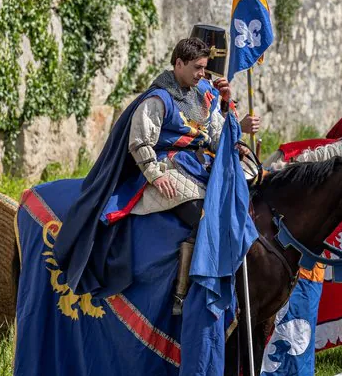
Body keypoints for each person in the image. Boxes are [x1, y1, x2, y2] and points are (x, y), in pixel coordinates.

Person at [53, 36, 260, 314]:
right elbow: (139, 141)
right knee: (204, 215)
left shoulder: (203, 94)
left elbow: (214, 136)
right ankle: (182, 294)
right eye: (198, 68)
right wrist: (154, 174)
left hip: (197, 166)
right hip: (165, 167)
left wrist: (236, 124)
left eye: (204, 68)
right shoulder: (158, 99)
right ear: (178, 64)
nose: (203, 74)